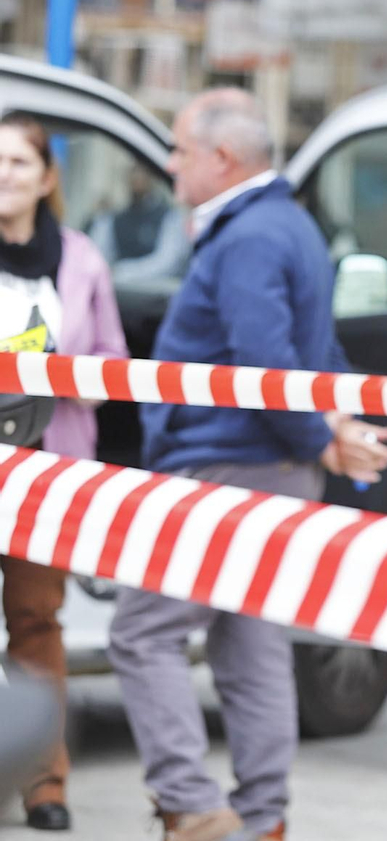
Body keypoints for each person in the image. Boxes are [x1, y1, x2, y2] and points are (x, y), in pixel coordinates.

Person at [105, 89, 387, 841]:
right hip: (271, 469)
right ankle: (264, 816)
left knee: (142, 631)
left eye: (178, 150)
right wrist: (327, 429)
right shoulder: (288, 225)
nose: (169, 164)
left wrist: (319, 435)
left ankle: (192, 807)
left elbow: (264, 363)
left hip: (228, 468)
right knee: (251, 641)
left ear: (222, 159)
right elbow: (313, 352)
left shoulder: (249, 236)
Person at [0, 113, 129, 832]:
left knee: (35, 621)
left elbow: (109, 360)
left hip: (45, 475)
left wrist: (65, 375)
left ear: (48, 176)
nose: (5, 174)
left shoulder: (80, 260)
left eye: (20, 162)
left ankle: (44, 780)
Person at [87, 163, 188, 282]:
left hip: (154, 293)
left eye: (142, 172)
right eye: (133, 172)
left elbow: (167, 263)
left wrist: (121, 272)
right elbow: (96, 257)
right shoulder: (114, 219)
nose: (136, 177)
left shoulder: (170, 218)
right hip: (120, 292)